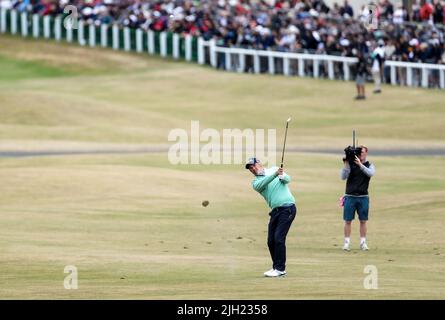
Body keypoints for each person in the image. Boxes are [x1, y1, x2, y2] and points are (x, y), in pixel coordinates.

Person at [245, 157, 296, 277]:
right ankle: (276, 268)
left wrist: (282, 176)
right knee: (270, 241)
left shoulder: (274, 169)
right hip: (275, 211)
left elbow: (288, 179)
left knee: (279, 238)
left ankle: (280, 269)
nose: (252, 169)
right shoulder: (256, 182)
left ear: (259, 163)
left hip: (288, 208)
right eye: (250, 168)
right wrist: (275, 174)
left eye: (253, 165)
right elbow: (264, 183)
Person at [340, 146, 375, 251]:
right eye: (359, 152)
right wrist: (346, 163)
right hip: (350, 196)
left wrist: (360, 165)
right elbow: (343, 177)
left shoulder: (370, 165)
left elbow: (370, 173)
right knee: (348, 220)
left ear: (366, 153)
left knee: (363, 220)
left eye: (363, 152)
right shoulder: (351, 164)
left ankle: (363, 242)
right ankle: (346, 243)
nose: (361, 154)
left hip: (363, 197)